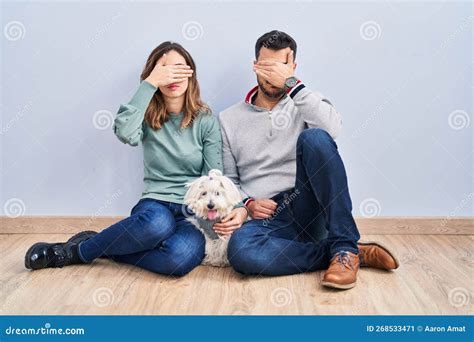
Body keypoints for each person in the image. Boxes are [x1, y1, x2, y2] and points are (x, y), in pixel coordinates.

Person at [24, 41, 247, 276]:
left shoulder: (205, 121)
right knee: (157, 225)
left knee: (178, 260)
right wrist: (150, 83)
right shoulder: (146, 116)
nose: (172, 75)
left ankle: (104, 246)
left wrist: (239, 207)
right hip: (155, 203)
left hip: (192, 212)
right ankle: (74, 252)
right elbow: (125, 132)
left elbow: (215, 174)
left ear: (191, 74)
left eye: (179, 68)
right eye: (164, 69)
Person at [218, 30, 399, 290]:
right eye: (267, 66)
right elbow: (229, 180)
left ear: (293, 67)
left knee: (315, 138)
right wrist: (246, 204)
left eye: (281, 67)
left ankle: (344, 247)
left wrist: (293, 85)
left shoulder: (305, 101)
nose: (273, 76)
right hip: (269, 216)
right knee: (241, 252)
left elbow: (332, 131)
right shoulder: (228, 118)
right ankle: (343, 253)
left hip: (308, 204)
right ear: (255, 66)